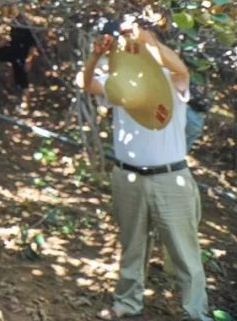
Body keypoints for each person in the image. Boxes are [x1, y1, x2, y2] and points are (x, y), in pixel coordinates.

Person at [81, 19, 211, 321]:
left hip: (170, 178)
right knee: (132, 246)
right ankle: (128, 304)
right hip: (128, 176)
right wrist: (96, 56)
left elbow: (181, 68)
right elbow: (87, 84)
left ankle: (195, 313)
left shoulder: (171, 79)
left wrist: (146, 38)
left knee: (184, 253)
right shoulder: (121, 83)